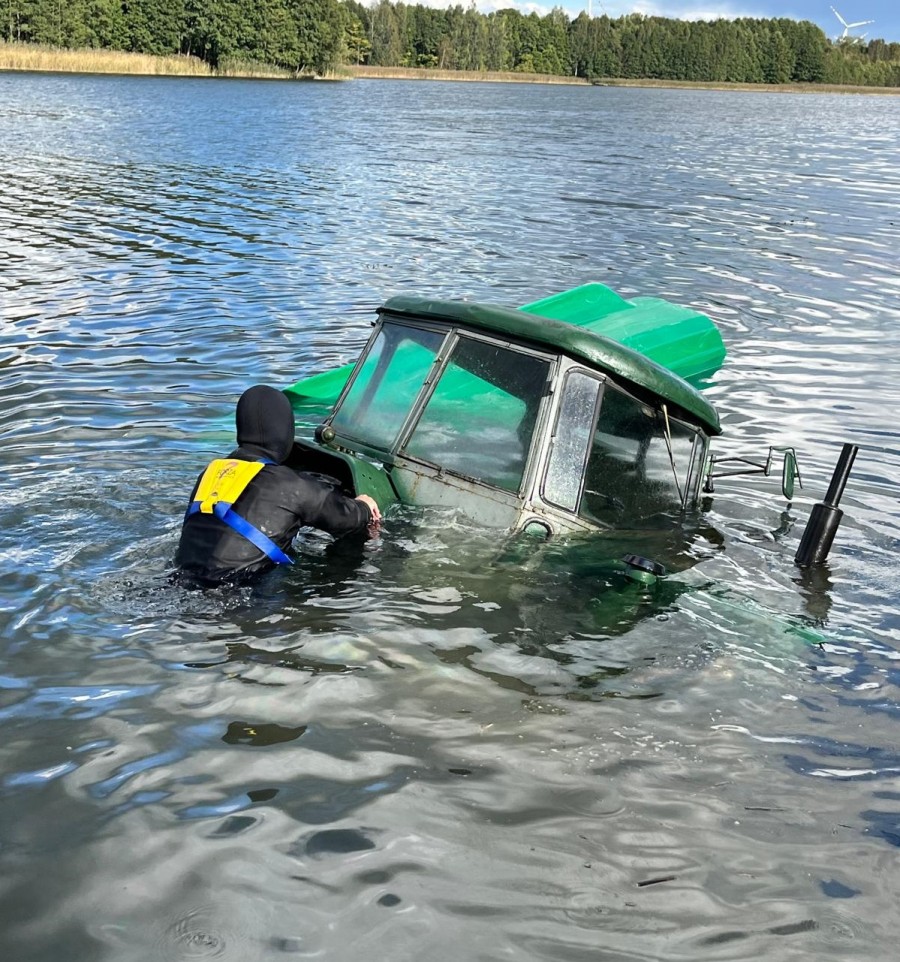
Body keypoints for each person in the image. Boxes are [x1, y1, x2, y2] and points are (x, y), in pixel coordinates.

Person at [175, 384, 380, 586]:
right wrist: (363, 506)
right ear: (284, 429)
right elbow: (345, 519)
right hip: (238, 591)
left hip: (182, 581)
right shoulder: (290, 483)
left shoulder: (211, 473)